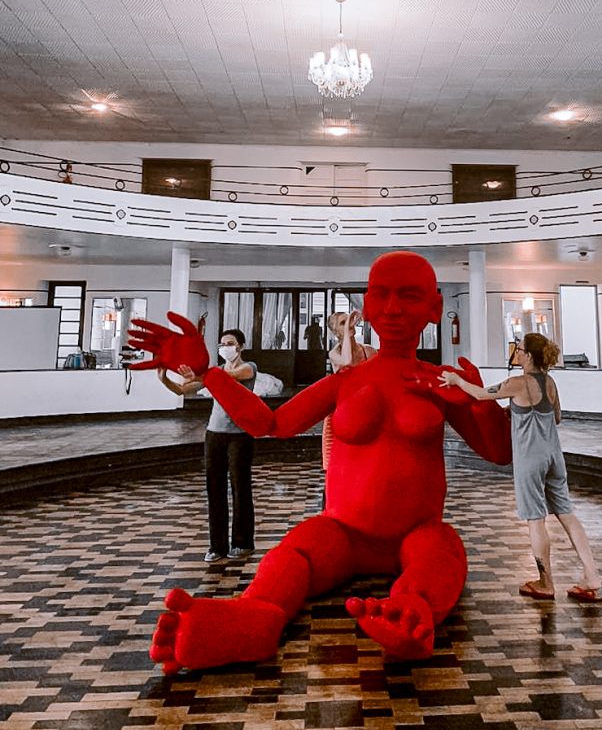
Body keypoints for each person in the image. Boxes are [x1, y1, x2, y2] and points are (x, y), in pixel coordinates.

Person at [129, 250, 511, 673]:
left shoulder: (439, 382)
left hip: (417, 534)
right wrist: (210, 373)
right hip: (343, 534)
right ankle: (254, 616)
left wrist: (480, 401)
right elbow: (271, 423)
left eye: (409, 296)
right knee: (295, 552)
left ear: (434, 308)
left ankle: (412, 610)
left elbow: (499, 453)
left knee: (442, 551)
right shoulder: (345, 381)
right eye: (381, 295)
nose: (393, 309)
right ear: (366, 306)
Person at [440, 332, 602, 604]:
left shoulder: (517, 383)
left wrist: (457, 380)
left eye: (520, 349)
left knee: (536, 520)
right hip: (554, 456)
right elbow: (556, 417)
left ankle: (545, 583)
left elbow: (480, 394)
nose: (517, 352)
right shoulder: (550, 382)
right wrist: (518, 412)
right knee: (567, 515)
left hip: (530, 459)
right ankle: (592, 576)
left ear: (528, 355)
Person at [158, 328, 258, 564]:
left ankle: (243, 543)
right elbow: (182, 389)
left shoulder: (249, 367)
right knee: (215, 489)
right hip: (214, 434)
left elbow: (233, 376)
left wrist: (202, 375)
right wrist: (164, 379)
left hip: (240, 435)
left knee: (240, 488)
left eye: (230, 343)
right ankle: (217, 546)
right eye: (222, 344)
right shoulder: (215, 373)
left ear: (241, 347)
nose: (225, 348)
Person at [322, 309, 377, 472]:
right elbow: (347, 361)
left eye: (349, 320)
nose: (349, 324)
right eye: (343, 323)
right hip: (340, 415)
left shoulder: (368, 351)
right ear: (335, 333)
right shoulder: (334, 353)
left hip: (365, 412)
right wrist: (347, 331)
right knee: (339, 467)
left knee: (366, 464)